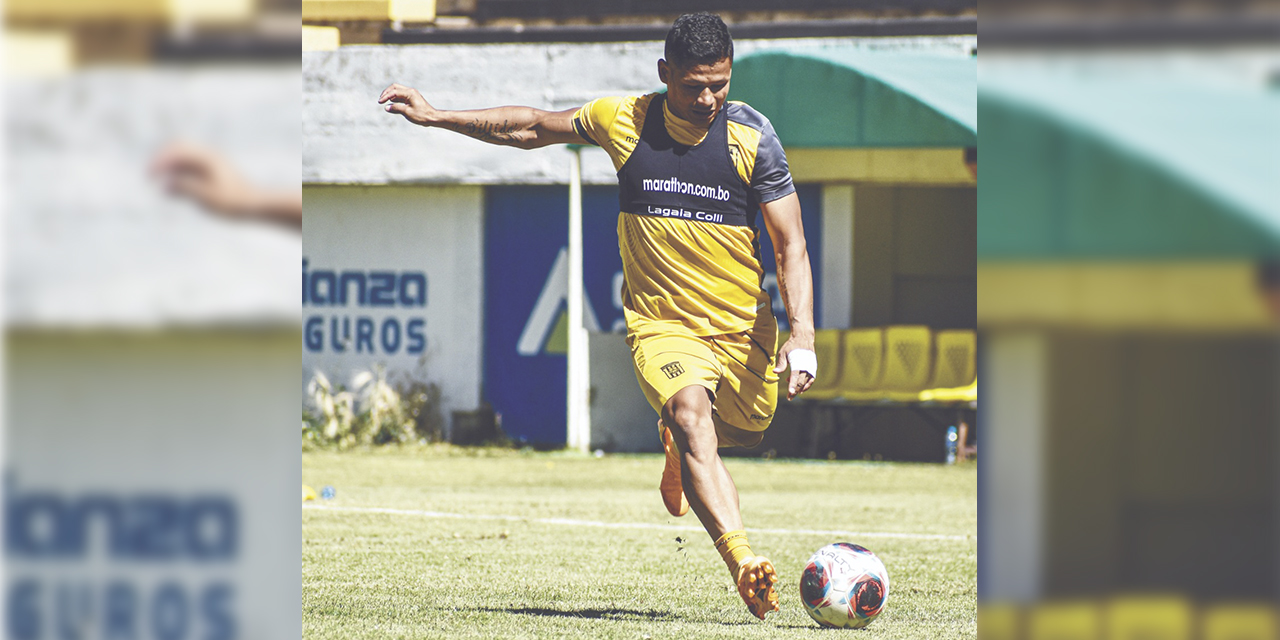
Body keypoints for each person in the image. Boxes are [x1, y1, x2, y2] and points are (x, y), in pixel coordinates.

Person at [379, 12, 816, 620]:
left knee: (735, 433)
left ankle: (675, 447)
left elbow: (789, 243)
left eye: (720, 83)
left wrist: (802, 336)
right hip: (663, 325)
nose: (710, 98)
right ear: (665, 75)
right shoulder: (626, 120)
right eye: (694, 85)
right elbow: (533, 126)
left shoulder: (753, 137)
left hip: (742, 327)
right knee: (694, 418)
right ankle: (743, 561)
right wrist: (439, 116)